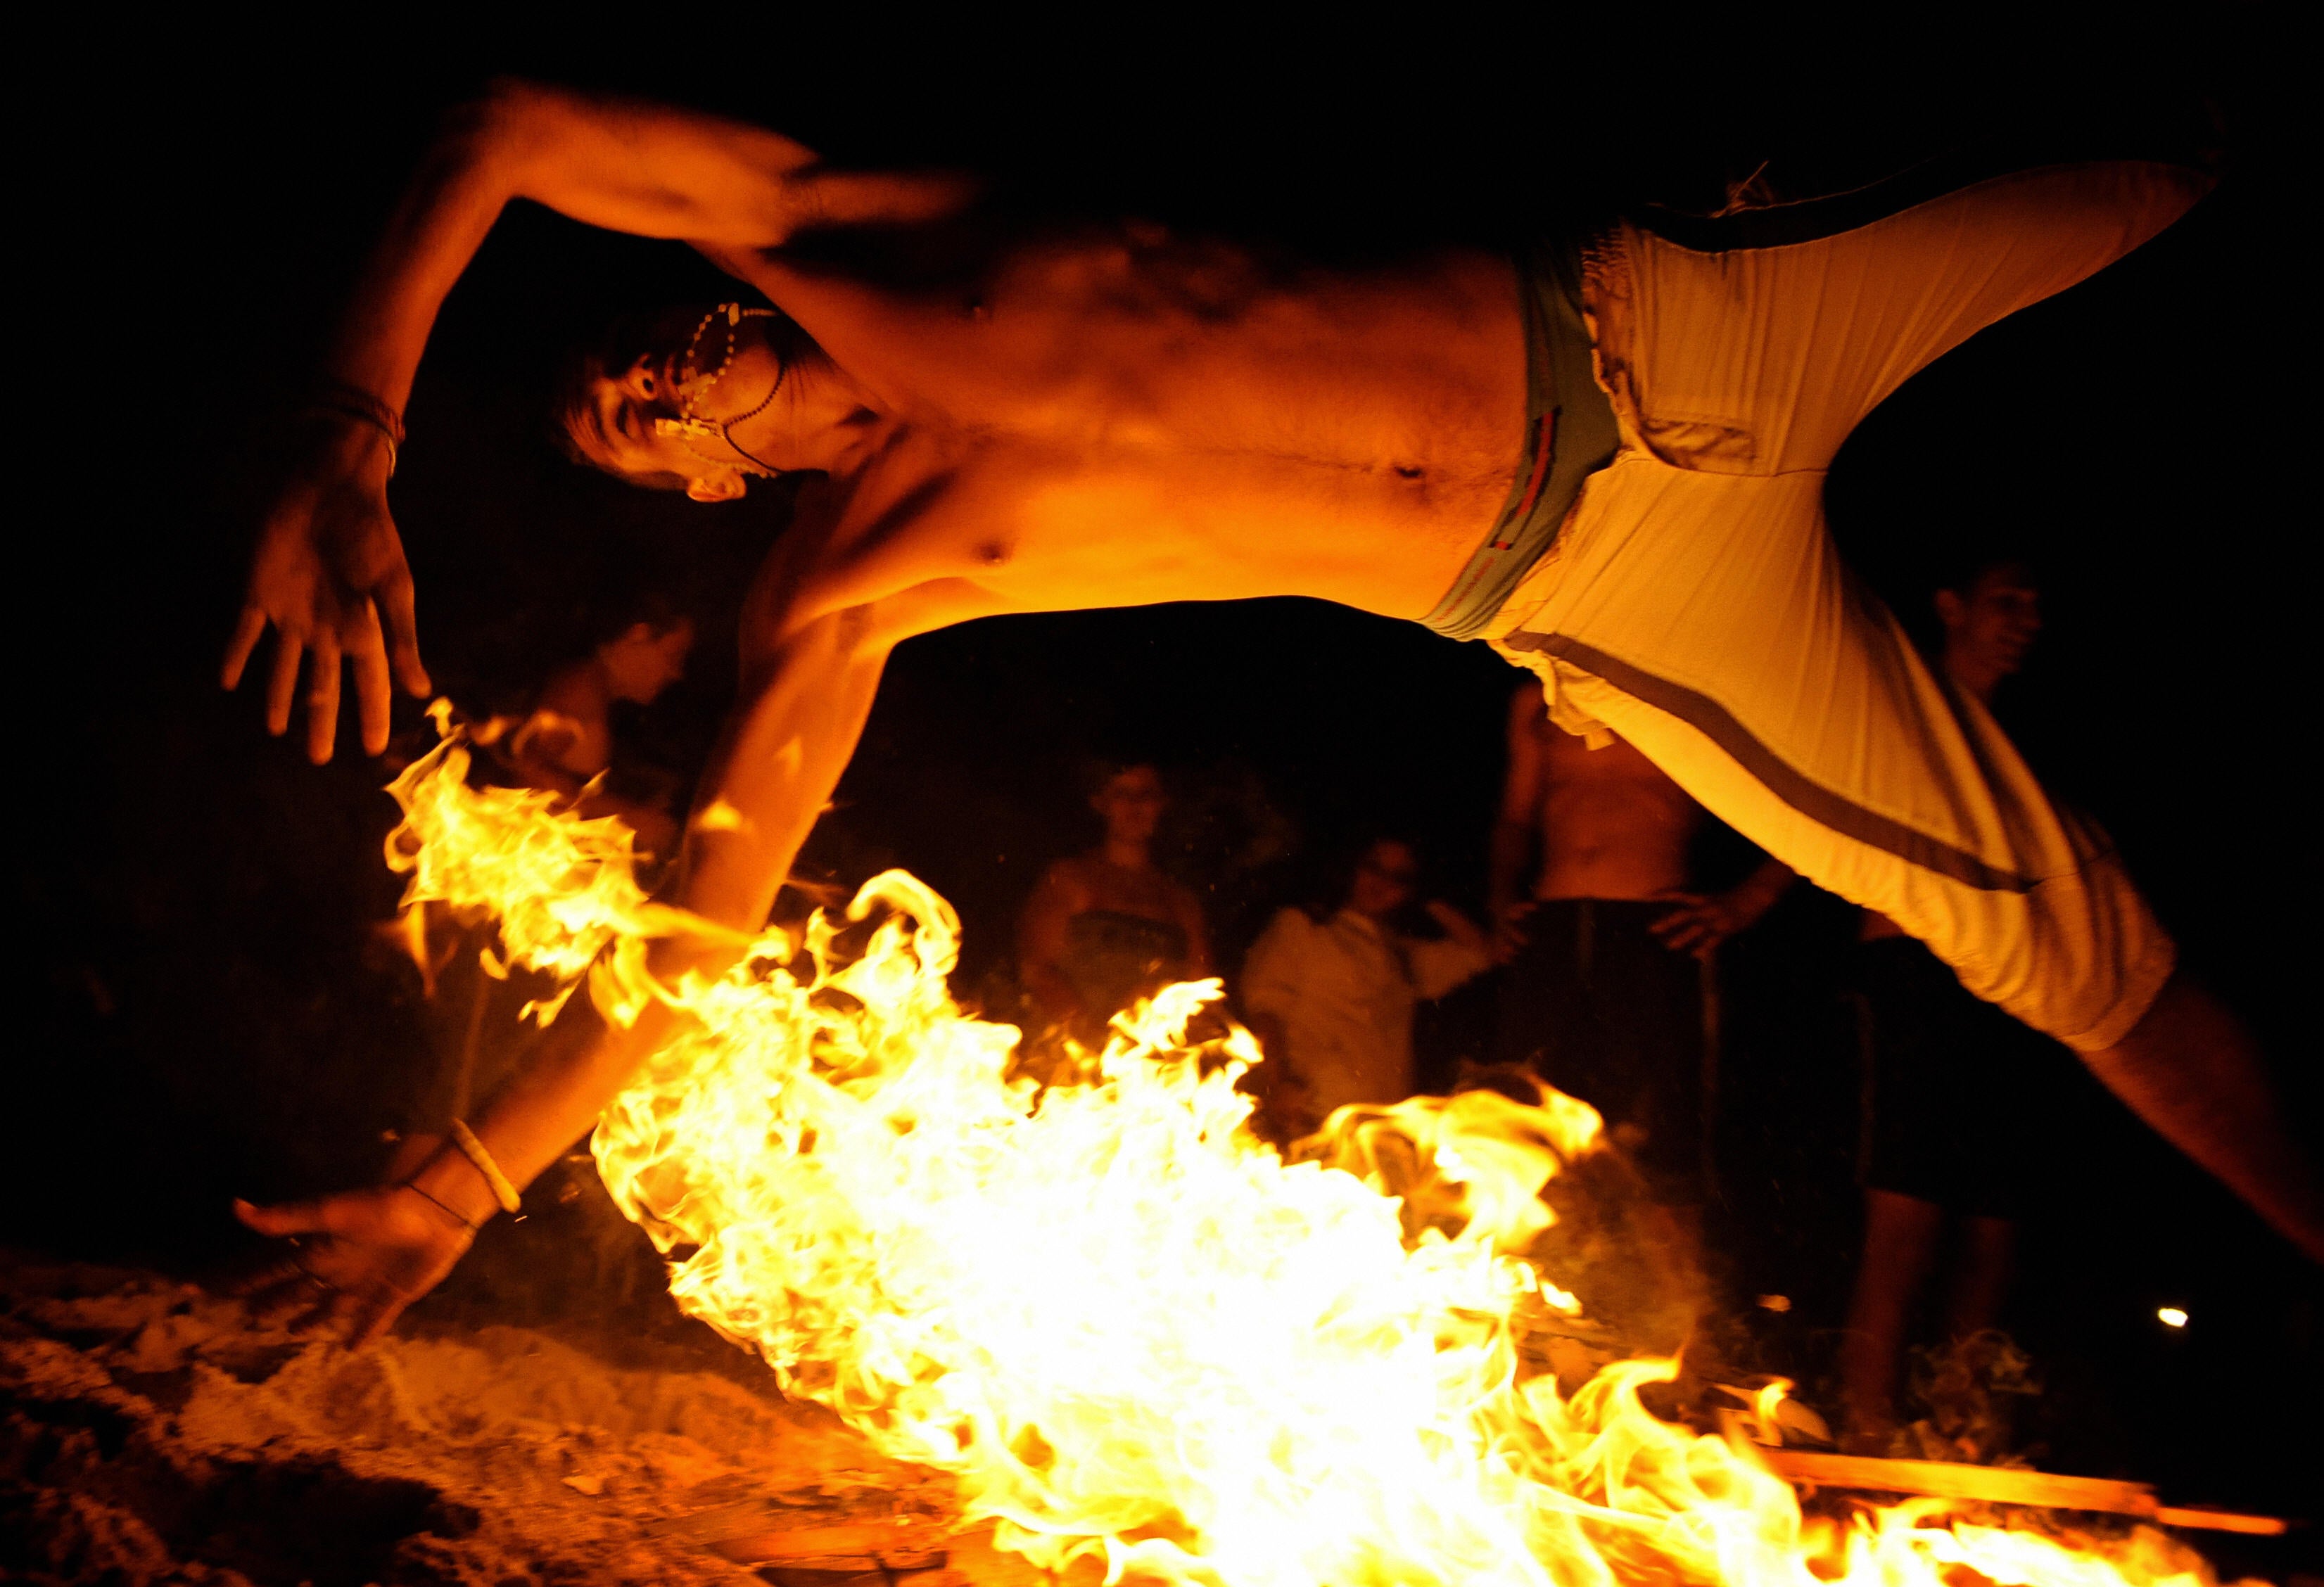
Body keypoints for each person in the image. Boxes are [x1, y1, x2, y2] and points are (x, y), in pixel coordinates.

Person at [220, 79, 2317, 1341]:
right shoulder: (851, 584)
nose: (656, 370)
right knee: (2059, 948)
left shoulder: (837, 221)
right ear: (694, 473)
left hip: (1656, 309)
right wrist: (457, 1189)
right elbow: (685, 954)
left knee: (2160, 143)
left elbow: (499, 117)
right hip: (1608, 584)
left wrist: (347, 432)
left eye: (630, 342)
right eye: (630, 417)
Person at [1837, 555, 2062, 1451]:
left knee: (1993, 1229)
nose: (2027, 618)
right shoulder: (1904, 706)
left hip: (2005, 981)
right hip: (1914, 970)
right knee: (1907, 1219)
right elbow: (1827, 809)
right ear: (1951, 606)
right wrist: (1750, 900)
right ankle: (1861, 1424)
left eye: (2036, 604)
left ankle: (1958, 1426)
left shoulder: (2023, 737)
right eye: (2008, 599)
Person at [1487, 683, 1796, 1232]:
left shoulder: (1685, 682)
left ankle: (1681, 1311)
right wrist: (1500, 895)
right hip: (1550, 928)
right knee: (1519, 1121)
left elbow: (1799, 800)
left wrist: (1752, 898)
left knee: (1664, 1135)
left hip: (1652, 928)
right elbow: (1516, 814)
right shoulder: (1537, 696)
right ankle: (1528, 1291)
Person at [1242, 838, 1493, 1140]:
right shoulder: (1304, 928)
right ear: (1352, 866)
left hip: (1382, 1126)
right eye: (1374, 868)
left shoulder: (1402, 956)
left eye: (1399, 878)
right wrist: (1276, 1082)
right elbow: (1265, 1011)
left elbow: (1480, 952)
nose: (1382, 883)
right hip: (1314, 1111)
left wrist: (1427, 897)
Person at [1017, 761, 1212, 1050]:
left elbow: (1202, 994)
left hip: (1153, 1067)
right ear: (1101, 803)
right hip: (1071, 1059)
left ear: (1161, 805)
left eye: (1146, 794)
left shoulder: (1182, 903)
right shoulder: (1071, 879)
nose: (1135, 805)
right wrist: (1089, 1031)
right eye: (1122, 793)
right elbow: (1037, 968)